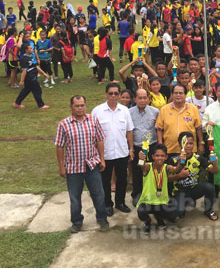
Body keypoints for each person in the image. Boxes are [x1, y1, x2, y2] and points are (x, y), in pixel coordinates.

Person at [54, 95, 109, 233]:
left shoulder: (93, 120)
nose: (80, 108)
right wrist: (61, 166)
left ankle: (102, 218)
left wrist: (102, 159)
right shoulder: (64, 124)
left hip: (92, 165)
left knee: (98, 194)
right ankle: (77, 221)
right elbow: (60, 147)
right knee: (75, 197)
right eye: (77, 106)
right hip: (73, 168)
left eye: (82, 105)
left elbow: (100, 140)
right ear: (71, 107)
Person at [91, 82, 135, 216]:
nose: (113, 96)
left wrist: (131, 149)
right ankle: (107, 204)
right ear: (106, 94)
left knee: (122, 179)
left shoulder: (124, 110)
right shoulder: (97, 111)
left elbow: (129, 131)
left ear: (120, 95)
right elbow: (92, 134)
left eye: (116, 93)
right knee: (105, 180)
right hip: (105, 154)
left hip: (122, 152)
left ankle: (120, 202)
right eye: (111, 93)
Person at [135, 144, 182, 233]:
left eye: (162, 156)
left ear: (166, 157)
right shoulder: (148, 167)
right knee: (141, 211)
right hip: (147, 201)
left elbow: (176, 169)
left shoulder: (166, 167)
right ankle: (147, 221)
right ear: (152, 156)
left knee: (174, 216)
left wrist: (181, 161)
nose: (159, 158)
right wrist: (141, 158)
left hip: (161, 202)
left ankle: (159, 218)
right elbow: (141, 165)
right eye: (157, 156)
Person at [172, 132, 219, 221]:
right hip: (179, 192)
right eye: (185, 143)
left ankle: (208, 210)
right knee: (178, 214)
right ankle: (184, 202)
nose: (189, 146)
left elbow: (214, 171)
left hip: (193, 189)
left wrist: (215, 164)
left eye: (191, 143)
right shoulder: (174, 160)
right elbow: (167, 179)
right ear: (179, 145)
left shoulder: (198, 158)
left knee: (209, 187)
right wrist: (179, 175)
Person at [129, 89, 160, 206]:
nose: (142, 100)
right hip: (138, 147)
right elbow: (129, 131)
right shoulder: (129, 112)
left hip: (152, 146)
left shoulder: (155, 112)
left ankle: (151, 193)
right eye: (139, 98)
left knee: (151, 171)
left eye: (144, 98)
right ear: (135, 99)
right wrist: (131, 149)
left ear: (148, 98)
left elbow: (159, 129)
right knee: (137, 171)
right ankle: (137, 194)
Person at [155, 84, 204, 156]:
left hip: (189, 150)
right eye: (175, 93)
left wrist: (201, 143)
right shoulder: (164, 109)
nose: (178, 95)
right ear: (172, 94)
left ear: (185, 95)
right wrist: (160, 146)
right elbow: (159, 129)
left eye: (181, 93)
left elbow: (198, 128)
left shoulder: (193, 109)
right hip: (169, 149)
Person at [13, 43, 50, 109]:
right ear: (26, 50)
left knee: (26, 90)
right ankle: (41, 105)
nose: (32, 49)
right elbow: (24, 71)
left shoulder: (30, 57)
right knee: (37, 90)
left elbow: (35, 66)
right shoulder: (24, 59)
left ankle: (17, 103)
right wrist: (22, 81)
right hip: (30, 78)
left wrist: (43, 73)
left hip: (32, 76)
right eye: (30, 48)